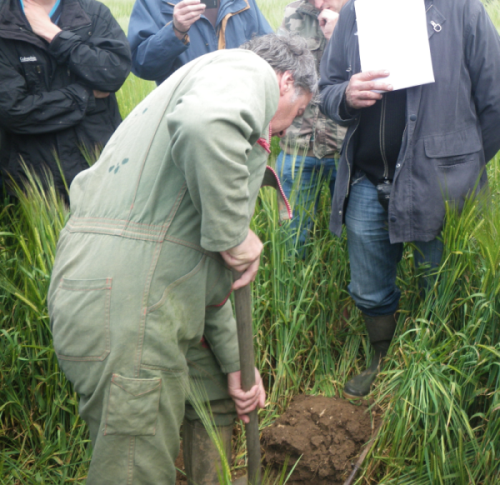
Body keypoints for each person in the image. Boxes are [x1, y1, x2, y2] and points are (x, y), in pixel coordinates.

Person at [48, 34, 315, 484]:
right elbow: (202, 122)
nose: (287, 130)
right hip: (130, 303)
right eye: (300, 111)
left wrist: (236, 367)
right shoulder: (246, 70)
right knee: (134, 470)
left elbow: (199, 275)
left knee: (216, 392)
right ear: (286, 82)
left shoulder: (210, 110)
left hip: (131, 287)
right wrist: (234, 233)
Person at [320, 0, 500, 398]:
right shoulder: (354, 12)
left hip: (440, 187)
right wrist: (346, 95)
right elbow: (326, 91)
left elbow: (496, 102)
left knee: (441, 285)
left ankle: (438, 373)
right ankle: (380, 361)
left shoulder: (463, 10)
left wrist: (461, 166)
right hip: (367, 181)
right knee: (368, 289)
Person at [0, 0, 132, 199]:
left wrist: (55, 36)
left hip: (100, 168)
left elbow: (113, 73)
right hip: (32, 181)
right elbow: (13, 110)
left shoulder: (93, 13)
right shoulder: (4, 20)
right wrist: (84, 96)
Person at [276, 0, 347, 250]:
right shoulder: (294, 13)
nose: (318, 3)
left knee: (355, 240)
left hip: (349, 151)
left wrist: (341, 34)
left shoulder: (368, 14)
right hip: (298, 146)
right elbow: (276, 74)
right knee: (292, 243)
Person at [128, 0, 273, 85]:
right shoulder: (152, 3)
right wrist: (175, 31)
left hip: (241, 114)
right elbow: (142, 66)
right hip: (184, 119)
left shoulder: (244, 1)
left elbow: (270, 55)